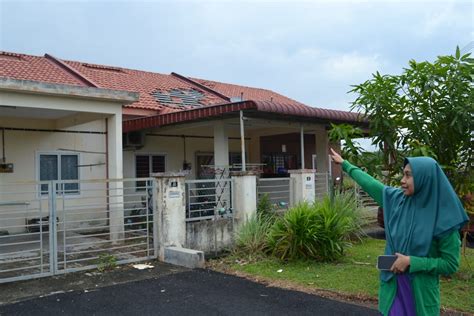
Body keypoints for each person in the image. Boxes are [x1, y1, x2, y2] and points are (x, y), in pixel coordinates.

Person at [329, 148, 468, 316]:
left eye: (408, 175)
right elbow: (372, 184)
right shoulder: (398, 200)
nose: (402, 180)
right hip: (393, 289)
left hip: (420, 298)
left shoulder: (444, 219)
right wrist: (345, 164)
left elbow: (450, 264)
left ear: (425, 178)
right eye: (403, 174)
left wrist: (411, 262)